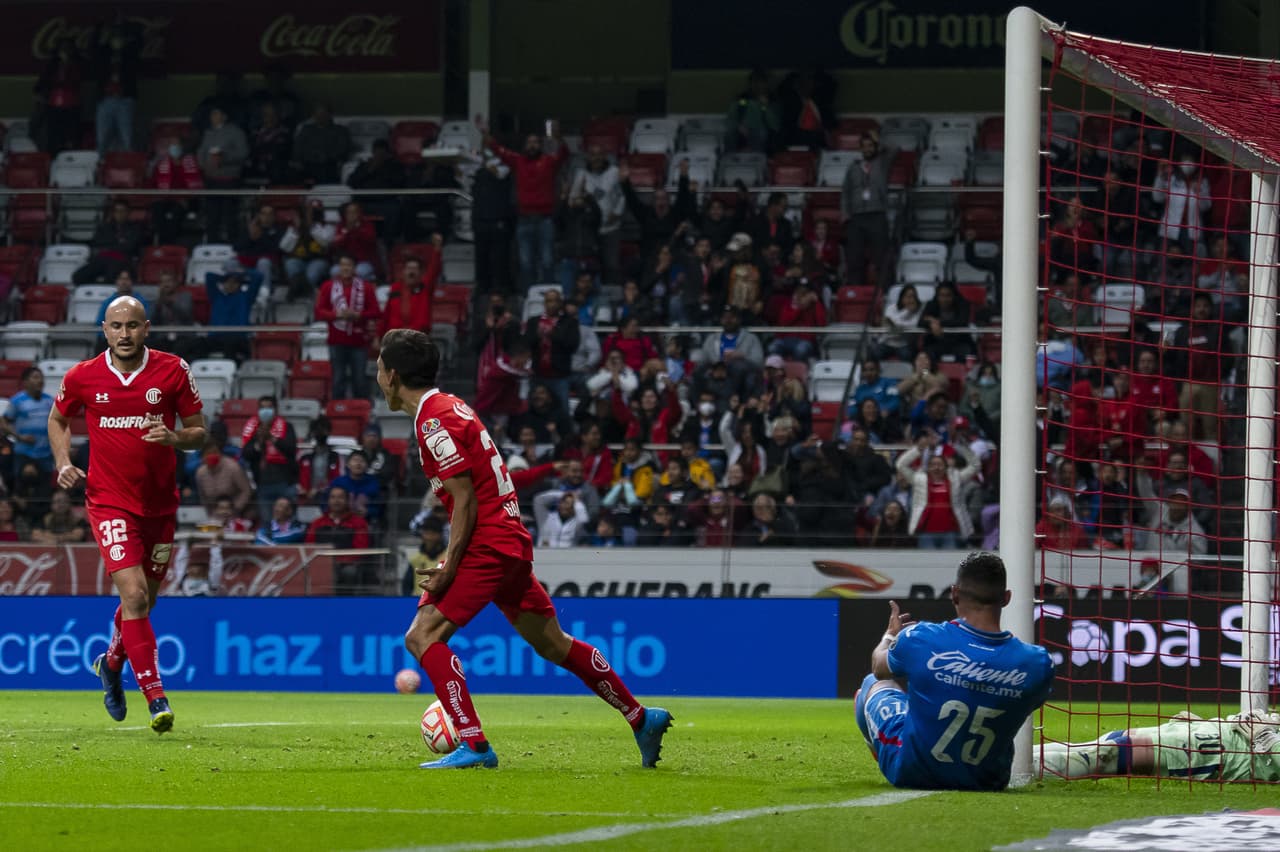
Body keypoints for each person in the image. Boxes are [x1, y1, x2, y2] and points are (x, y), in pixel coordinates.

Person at [375, 327, 673, 769]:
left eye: (380, 367)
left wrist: (449, 565)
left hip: (487, 542)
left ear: (393, 374)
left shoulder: (432, 419)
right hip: (509, 539)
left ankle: (475, 746)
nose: (377, 375)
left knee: (422, 636)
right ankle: (640, 717)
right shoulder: (449, 407)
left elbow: (465, 499)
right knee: (553, 644)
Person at [48, 296, 207, 734]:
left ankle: (111, 662)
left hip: (160, 505)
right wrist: (63, 463)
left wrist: (175, 438)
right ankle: (156, 696)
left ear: (146, 328)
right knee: (134, 596)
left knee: (147, 601)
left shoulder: (173, 370)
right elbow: (57, 419)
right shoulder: (83, 376)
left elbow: (200, 432)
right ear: (104, 329)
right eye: (116, 326)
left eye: (132, 326)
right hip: (109, 502)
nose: (124, 334)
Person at [854, 552, 1055, 791]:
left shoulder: (921, 638)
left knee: (871, 685)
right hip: (987, 781)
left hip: (911, 771)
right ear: (1006, 598)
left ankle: (884, 749)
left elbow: (879, 667)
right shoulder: (1037, 664)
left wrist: (890, 636)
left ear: (954, 594)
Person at [1042, 709, 1280, 782]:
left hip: (1209, 754)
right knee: (1084, 747)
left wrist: (1265, 734)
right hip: (1201, 735)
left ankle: (1011, 770)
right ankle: (1013, 760)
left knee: (1104, 756)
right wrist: (1205, 724)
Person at [315, 253, 381, 400]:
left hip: (359, 341)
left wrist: (359, 315)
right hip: (336, 341)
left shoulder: (366, 287)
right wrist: (336, 315)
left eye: (349, 265)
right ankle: (338, 412)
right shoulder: (329, 286)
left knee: (359, 379)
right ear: (339, 268)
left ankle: (361, 411)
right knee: (338, 378)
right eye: (343, 265)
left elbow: (376, 311)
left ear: (354, 268)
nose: (345, 268)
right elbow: (319, 311)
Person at [2, 366, 56, 480]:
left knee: (44, 492)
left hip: (45, 453)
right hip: (24, 453)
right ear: (25, 382)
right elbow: (3, 423)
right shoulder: (17, 401)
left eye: (41, 378)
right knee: (22, 490)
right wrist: (19, 437)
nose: (40, 381)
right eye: (35, 377)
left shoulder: (50, 401)